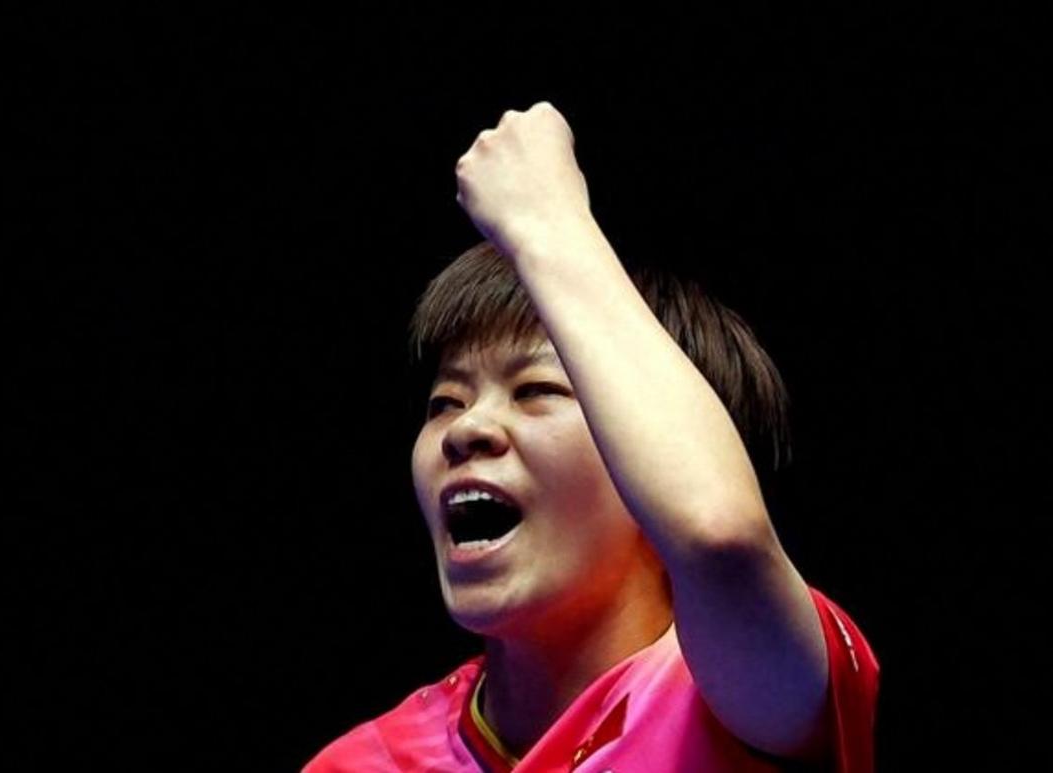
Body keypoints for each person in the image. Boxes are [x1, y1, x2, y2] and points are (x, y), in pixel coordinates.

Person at [304, 102, 879, 772]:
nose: (466, 428)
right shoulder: (365, 762)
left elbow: (719, 530)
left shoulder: (741, 695)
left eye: (536, 391)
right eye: (445, 402)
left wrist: (546, 218)